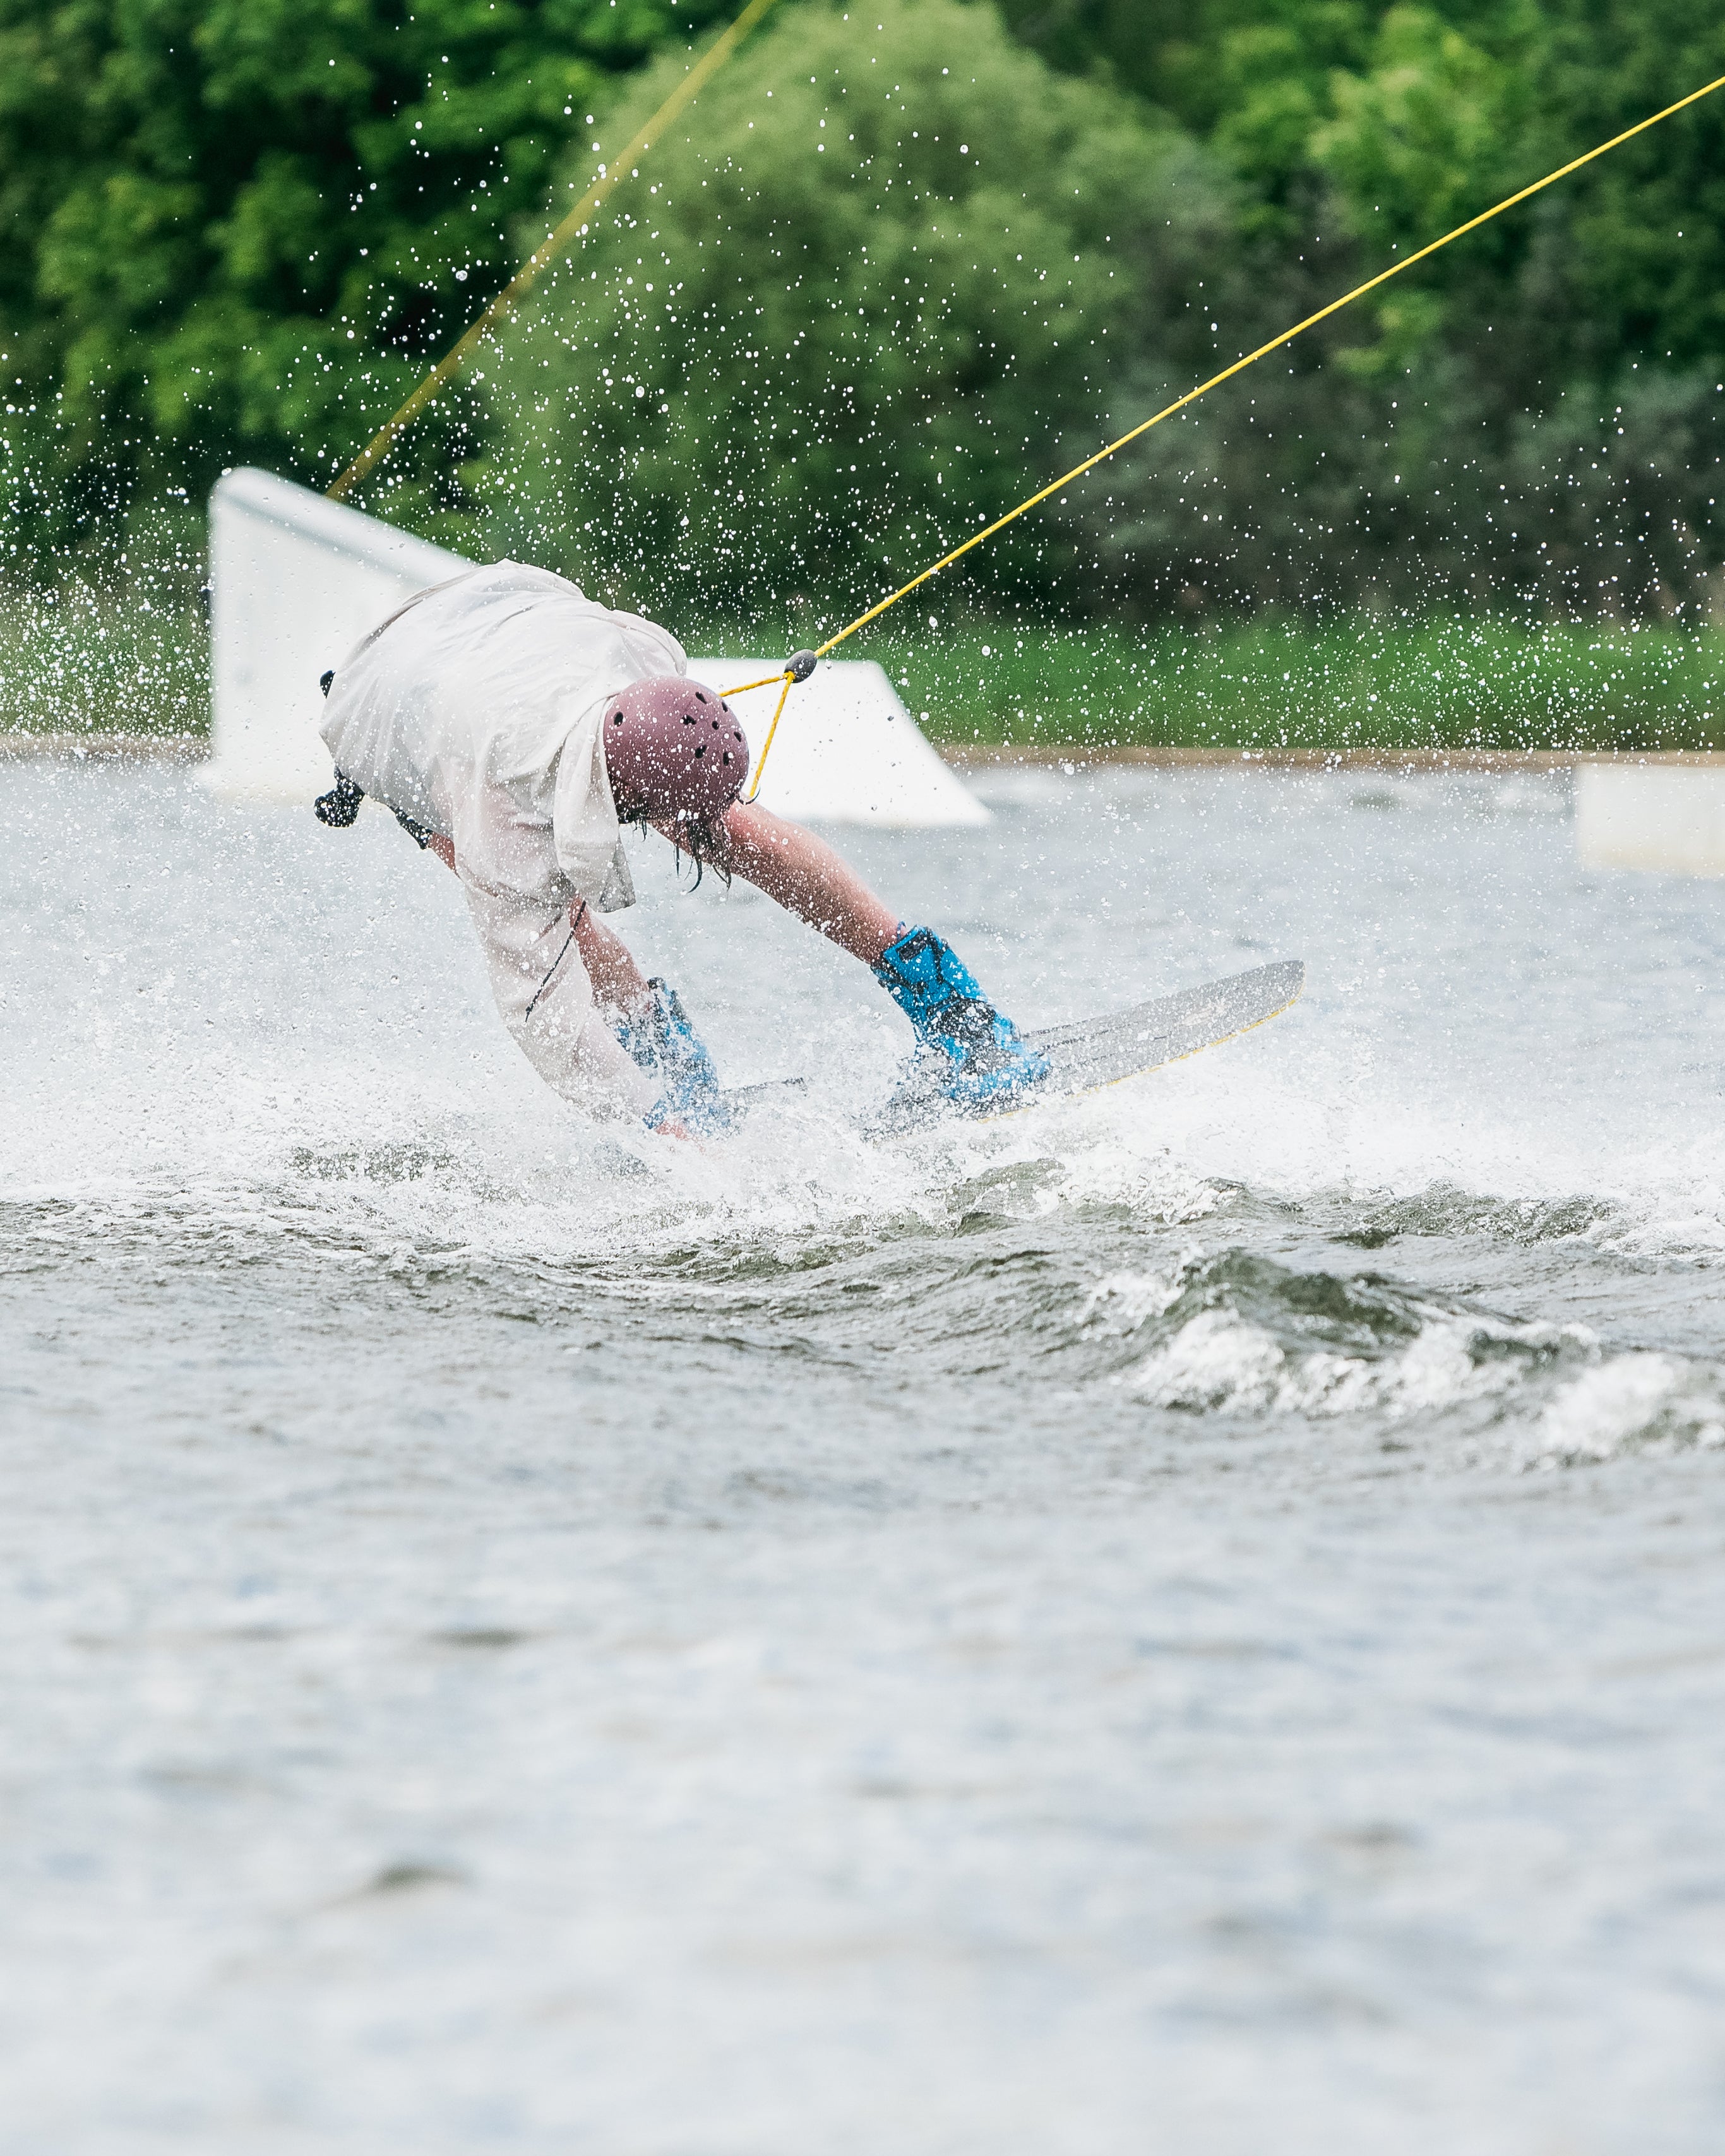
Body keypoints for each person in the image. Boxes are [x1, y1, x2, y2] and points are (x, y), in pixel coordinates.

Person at [314, 559, 1047, 1135]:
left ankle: (955, 1013)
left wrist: (699, 814)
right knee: (549, 913)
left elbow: (689, 789)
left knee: (729, 826)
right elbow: (544, 1016)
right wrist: (662, 1131)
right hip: (387, 703)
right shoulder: (492, 814)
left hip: (500, 614)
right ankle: (660, 1059)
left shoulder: (644, 662)